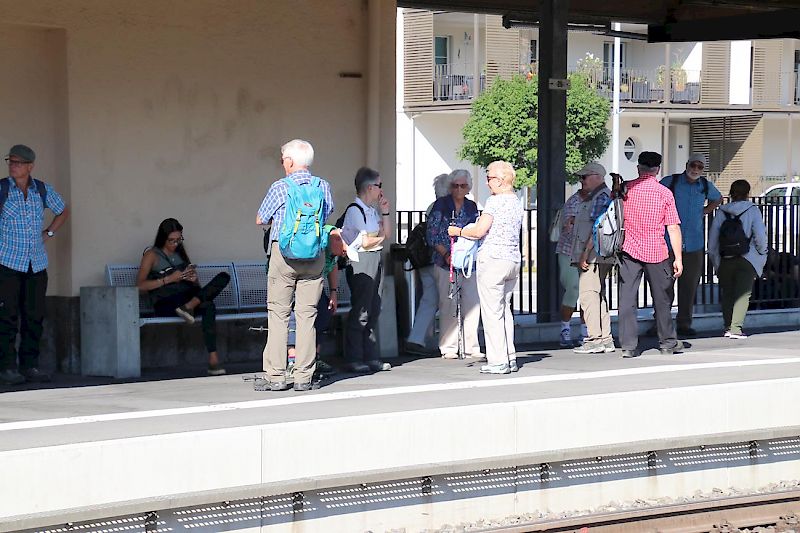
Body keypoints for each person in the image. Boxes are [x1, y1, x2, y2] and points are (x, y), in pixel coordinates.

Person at [255, 139, 334, 392]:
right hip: (314, 255)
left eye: (282, 160)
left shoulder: (281, 187)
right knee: (307, 316)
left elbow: (261, 218)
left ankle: (276, 376)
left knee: (278, 315)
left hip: (284, 255)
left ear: (289, 161)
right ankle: (303, 377)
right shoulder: (322, 186)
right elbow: (327, 212)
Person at [0, 145, 69, 385]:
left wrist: (48, 233)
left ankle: (30, 366)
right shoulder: (2, 189)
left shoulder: (42, 189)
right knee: (6, 317)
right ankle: (7, 368)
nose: (13, 166)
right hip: (7, 263)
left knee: (34, 317)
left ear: (30, 166)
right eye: (10, 161)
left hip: (36, 264)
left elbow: (63, 210)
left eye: (18, 162)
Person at [449, 161, 522, 374]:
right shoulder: (516, 201)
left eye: (489, 178)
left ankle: (498, 361)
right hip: (512, 258)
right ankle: (509, 356)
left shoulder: (494, 201)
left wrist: (458, 231)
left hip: (493, 260)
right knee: (504, 310)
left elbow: (479, 231)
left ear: (500, 180)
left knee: (492, 312)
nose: (487, 183)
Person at [136, 218, 230, 375]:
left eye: (178, 240)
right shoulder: (152, 255)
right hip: (166, 301)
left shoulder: (180, 254)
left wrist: (193, 279)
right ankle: (213, 358)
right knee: (207, 305)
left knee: (222, 279)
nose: (175, 244)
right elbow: (139, 287)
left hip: (186, 297)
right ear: (163, 238)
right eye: (171, 240)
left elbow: (196, 287)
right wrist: (168, 279)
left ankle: (189, 309)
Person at [617, 151, 683, 358]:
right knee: (662, 299)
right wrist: (678, 258)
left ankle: (628, 345)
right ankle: (667, 343)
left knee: (627, 298)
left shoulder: (625, 189)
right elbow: (673, 227)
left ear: (639, 167)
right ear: (658, 170)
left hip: (629, 249)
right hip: (657, 251)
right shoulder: (664, 193)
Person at [655, 153, 722, 337]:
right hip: (668, 243)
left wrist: (705, 210)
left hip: (694, 244)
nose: (696, 169)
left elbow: (718, 198)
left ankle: (684, 324)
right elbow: (655, 196)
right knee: (664, 287)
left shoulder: (705, 185)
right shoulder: (671, 181)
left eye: (700, 167)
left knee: (689, 287)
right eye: (693, 165)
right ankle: (660, 324)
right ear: (687, 165)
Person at [340, 167, 392, 373]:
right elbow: (365, 242)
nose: (381, 190)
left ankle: (370, 356)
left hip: (374, 258)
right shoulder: (355, 210)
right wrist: (378, 237)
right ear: (370, 187)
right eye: (379, 186)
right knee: (361, 309)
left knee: (374, 307)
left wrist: (385, 212)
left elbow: (385, 234)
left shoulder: (371, 210)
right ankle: (354, 357)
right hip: (361, 261)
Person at [427, 169, 482, 360]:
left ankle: (471, 347)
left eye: (462, 186)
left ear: (468, 188)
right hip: (445, 263)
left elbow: (475, 231)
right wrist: (446, 254)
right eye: (455, 185)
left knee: (472, 303)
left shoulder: (471, 206)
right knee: (448, 304)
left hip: (468, 263)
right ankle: (448, 346)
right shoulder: (441, 205)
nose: (458, 189)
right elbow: (432, 234)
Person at [708, 180, 768, 339]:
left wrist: (715, 259)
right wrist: (762, 252)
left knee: (728, 293)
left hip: (725, 258)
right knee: (743, 294)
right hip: (747, 258)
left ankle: (728, 326)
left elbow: (713, 240)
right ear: (748, 193)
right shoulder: (753, 210)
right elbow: (760, 236)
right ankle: (736, 328)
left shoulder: (721, 212)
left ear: (731, 193)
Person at [286, 226, 347, 374]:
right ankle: (293, 361)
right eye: (345, 250)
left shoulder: (334, 246)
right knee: (295, 318)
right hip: (295, 281)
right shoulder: (319, 240)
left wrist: (333, 292)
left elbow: (333, 266)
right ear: (337, 240)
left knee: (323, 313)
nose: (345, 254)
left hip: (315, 284)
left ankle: (315, 358)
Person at [570, 163, 615, 354]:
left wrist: (585, 253)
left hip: (593, 254)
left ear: (597, 176)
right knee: (598, 294)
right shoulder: (603, 195)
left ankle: (594, 339)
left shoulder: (599, 197)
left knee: (588, 294)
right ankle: (605, 338)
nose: (581, 181)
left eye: (584, 177)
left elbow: (597, 227)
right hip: (601, 254)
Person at [405, 173, 450, 355]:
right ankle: (449, 341)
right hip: (440, 261)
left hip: (424, 261)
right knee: (448, 300)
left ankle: (416, 339)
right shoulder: (448, 209)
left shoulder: (431, 208)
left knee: (429, 299)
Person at [555, 180, 590, 348]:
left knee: (588, 292)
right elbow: (569, 227)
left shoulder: (600, 199)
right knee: (573, 288)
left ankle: (585, 331)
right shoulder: (573, 201)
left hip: (590, 251)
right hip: (569, 251)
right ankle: (565, 329)